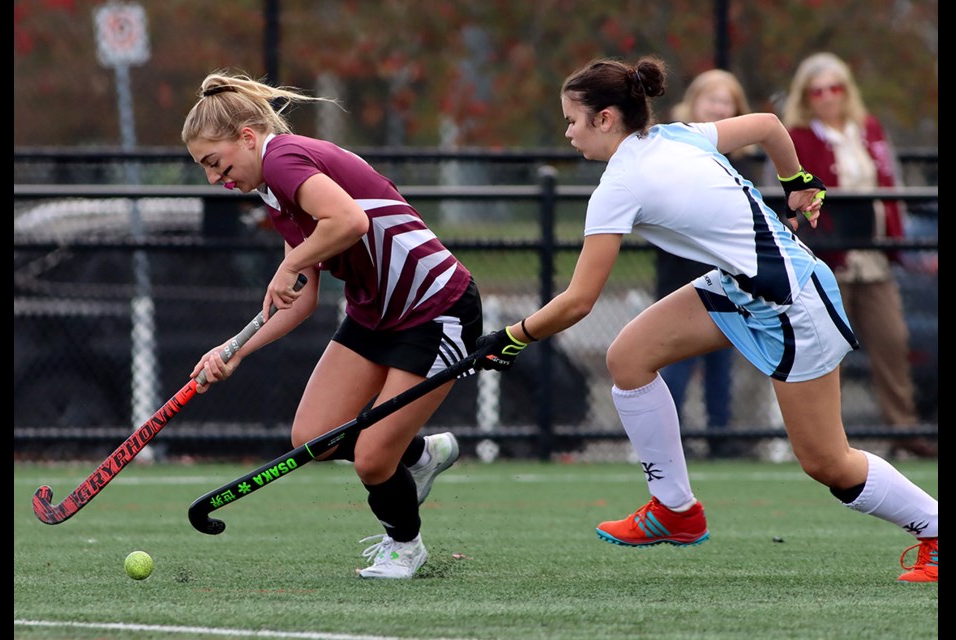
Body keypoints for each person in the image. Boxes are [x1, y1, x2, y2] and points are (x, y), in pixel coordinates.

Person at [475, 56, 938, 583]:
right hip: (742, 289)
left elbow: (581, 300)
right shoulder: (678, 134)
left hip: (794, 305)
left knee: (827, 462)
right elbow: (767, 126)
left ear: (605, 119)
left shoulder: (619, 185)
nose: (568, 132)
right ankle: (674, 510)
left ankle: (937, 530)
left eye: (573, 120)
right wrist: (798, 182)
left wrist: (512, 337)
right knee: (628, 358)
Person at [181, 70, 483, 579]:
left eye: (215, 162)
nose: (215, 178)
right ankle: (421, 455)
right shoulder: (275, 193)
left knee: (370, 460)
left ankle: (404, 546)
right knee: (313, 437)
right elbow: (298, 304)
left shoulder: (282, 158)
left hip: (437, 308)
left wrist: (289, 264)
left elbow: (349, 221)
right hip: (374, 315)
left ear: (247, 138)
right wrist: (233, 350)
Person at [780, 52, 936, 459]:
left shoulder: (868, 129)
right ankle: (827, 439)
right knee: (829, 347)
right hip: (829, 258)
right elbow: (788, 198)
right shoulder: (798, 136)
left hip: (876, 257)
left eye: (836, 88)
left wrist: (898, 239)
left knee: (892, 340)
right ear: (807, 97)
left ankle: (902, 428)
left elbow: (891, 184)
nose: (828, 97)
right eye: (818, 91)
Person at [656, 69, 759, 458]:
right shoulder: (674, 151)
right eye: (710, 99)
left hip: (731, 282)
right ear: (693, 103)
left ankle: (721, 436)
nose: (717, 107)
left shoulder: (743, 163)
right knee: (676, 362)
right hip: (681, 277)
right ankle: (671, 441)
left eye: (726, 101)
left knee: (721, 360)